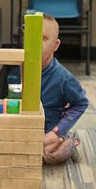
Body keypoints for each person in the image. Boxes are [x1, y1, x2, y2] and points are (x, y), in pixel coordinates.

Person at [38, 14, 88, 164]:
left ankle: (70, 142)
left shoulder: (63, 77)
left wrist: (56, 131)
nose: (36, 44)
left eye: (43, 39)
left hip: (47, 134)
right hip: (19, 129)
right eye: (31, 37)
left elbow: (81, 103)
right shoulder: (14, 68)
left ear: (55, 45)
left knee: (51, 155)